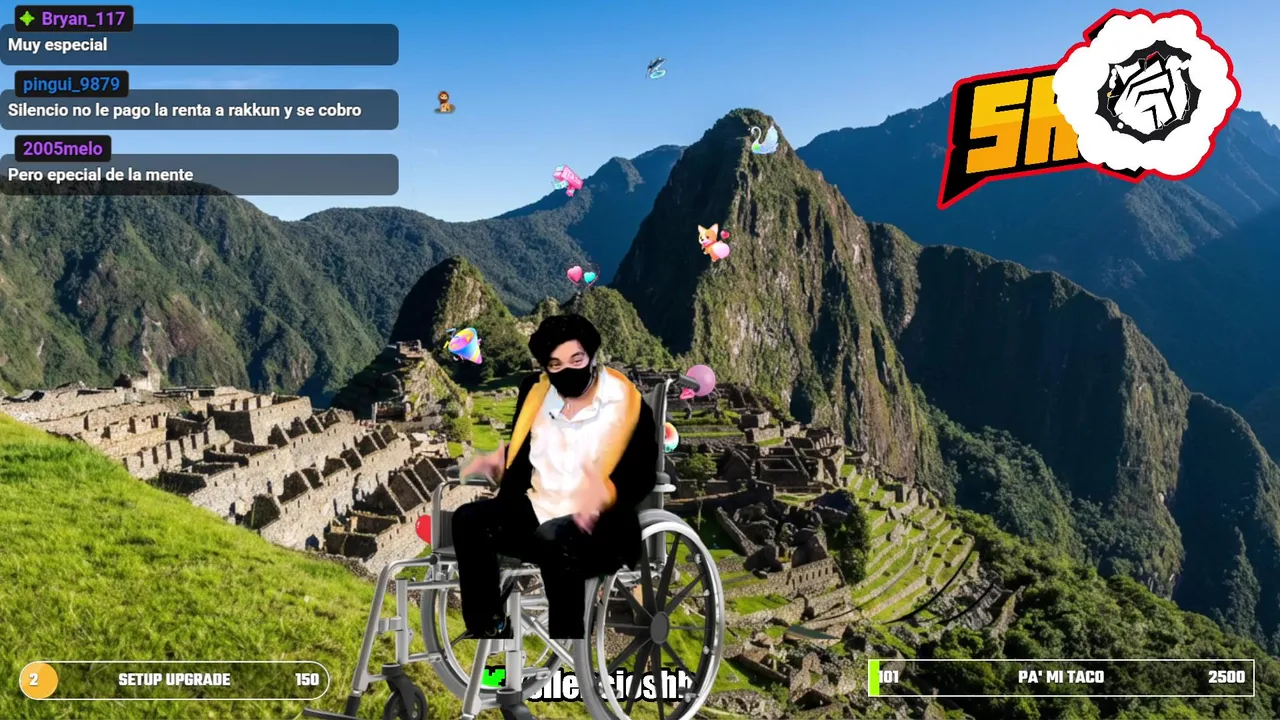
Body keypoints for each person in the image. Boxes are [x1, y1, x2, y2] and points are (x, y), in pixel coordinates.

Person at [452, 314, 658, 644]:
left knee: (555, 537)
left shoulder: (625, 402)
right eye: (556, 364)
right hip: (535, 509)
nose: (568, 371)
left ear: (591, 357)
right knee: (469, 519)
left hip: (594, 524)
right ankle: (490, 627)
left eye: (576, 360)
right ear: (546, 367)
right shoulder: (536, 393)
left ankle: (569, 639)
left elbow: (644, 471)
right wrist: (500, 463)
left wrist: (606, 493)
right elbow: (524, 456)